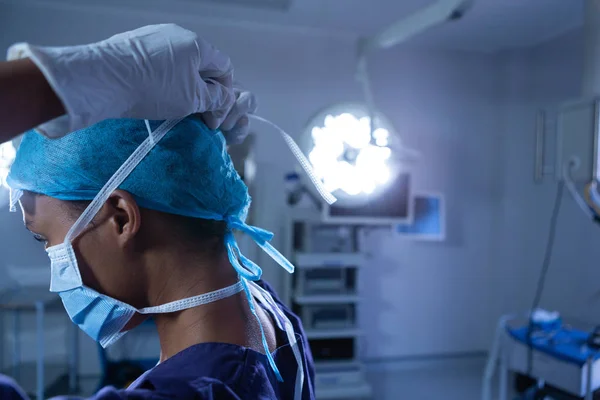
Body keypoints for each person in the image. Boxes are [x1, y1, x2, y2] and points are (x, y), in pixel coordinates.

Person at [0, 25, 315, 400]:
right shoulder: (266, 310)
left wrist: (64, 81)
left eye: (44, 239)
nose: (56, 272)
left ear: (121, 218)